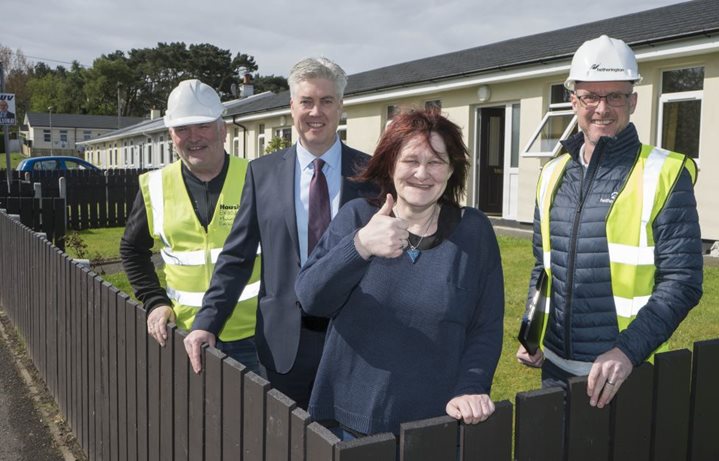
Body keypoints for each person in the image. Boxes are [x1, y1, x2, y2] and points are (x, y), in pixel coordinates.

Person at [516, 35, 702, 409]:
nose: (602, 108)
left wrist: (626, 352)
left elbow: (682, 281)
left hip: (624, 370)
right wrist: (532, 331)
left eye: (615, 96)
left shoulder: (664, 173)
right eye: (591, 97)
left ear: (632, 101)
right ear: (574, 101)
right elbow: (544, 268)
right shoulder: (552, 173)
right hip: (554, 367)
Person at [294, 109, 504, 436]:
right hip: (349, 425)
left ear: (452, 171)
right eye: (410, 161)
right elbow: (311, 299)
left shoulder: (473, 231)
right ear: (390, 164)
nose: (422, 173)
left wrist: (472, 385)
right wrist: (360, 246)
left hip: (435, 425)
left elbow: (486, 326)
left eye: (436, 162)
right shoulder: (357, 218)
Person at [183, 57, 374, 409]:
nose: (316, 111)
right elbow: (236, 257)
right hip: (284, 346)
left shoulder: (371, 174)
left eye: (326, 101)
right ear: (291, 107)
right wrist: (206, 321)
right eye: (306, 101)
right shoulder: (262, 174)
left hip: (355, 340)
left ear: (341, 107)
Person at [120, 79, 263, 373]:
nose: (193, 137)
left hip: (256, 336)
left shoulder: (258, 177)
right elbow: (132, 249)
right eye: (182, 129)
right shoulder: (154, 186)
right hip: (186, 333)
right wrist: (155, 301)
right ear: (171, 135)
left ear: (223, 130)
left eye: (203, 125)